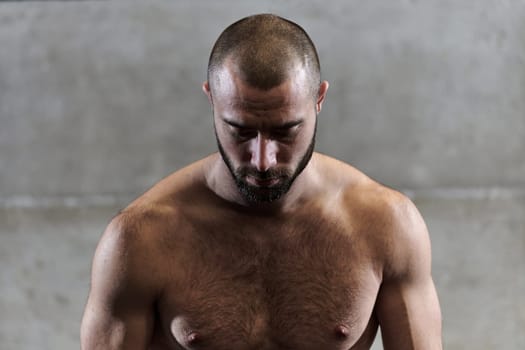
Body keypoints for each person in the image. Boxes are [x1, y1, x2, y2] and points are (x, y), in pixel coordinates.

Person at [80, 13, 442, 350]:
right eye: (240, 131)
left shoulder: (386, 225)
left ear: (319, 99)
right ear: (212, 98)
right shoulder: (141, 238)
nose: (263, 160)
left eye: (285, 132)